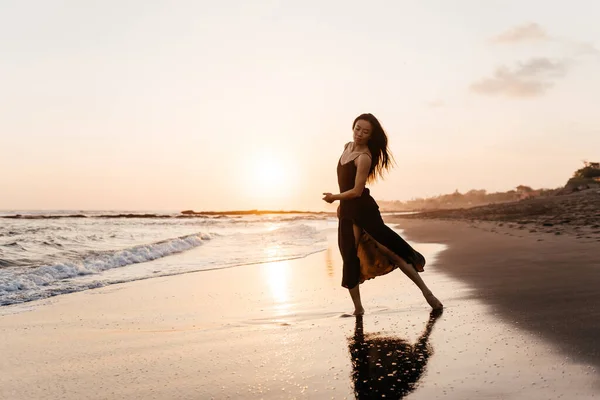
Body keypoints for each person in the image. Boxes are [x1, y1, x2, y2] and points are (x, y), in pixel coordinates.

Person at [322, 113, 443, 315]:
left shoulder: (364, 158)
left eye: (365, 131)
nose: (359, 134)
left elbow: (356, 191)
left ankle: (427, 293)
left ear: (371, 135)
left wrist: (335, 197)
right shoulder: (347, 147)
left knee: (392, 251)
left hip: (364, 210)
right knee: (349, 257)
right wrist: (340, 204)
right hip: (347, 211)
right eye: (357, 128)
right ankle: (358, 309)